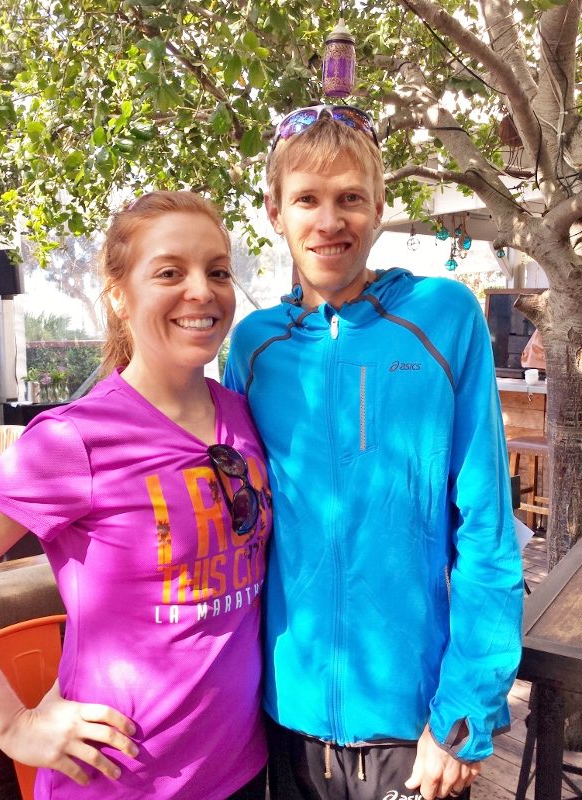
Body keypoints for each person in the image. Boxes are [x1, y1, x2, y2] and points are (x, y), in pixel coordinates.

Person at [223, 106, 523, 800]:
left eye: (350, 198)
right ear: (275, 212)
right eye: (307, 199)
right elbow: (237, 522)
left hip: (412, 726)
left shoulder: (443, 320)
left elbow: (486, 533)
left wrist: (464, 712)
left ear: (380, 208)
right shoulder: (254, 346)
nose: (329, 221)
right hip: (283, 722)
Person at [0, 191, 272, 800]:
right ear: (118, 294)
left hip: (244, 772)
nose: (202, 290)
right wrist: (13, 725)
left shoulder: (245, 418)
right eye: (170, 272)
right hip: (120, 785)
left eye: (217, 271)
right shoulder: (73, 439)